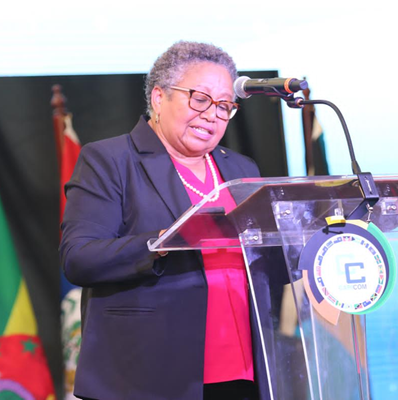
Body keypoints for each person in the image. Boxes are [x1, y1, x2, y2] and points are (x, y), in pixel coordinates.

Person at [60, 41, 265, 400]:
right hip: (149, 374)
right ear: (158, 98)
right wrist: (164, 241)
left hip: (242, 371)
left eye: (224, 106)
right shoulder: (110, 160)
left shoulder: (240, 168)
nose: (212, 115)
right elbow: (79, 258)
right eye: (200, 99)